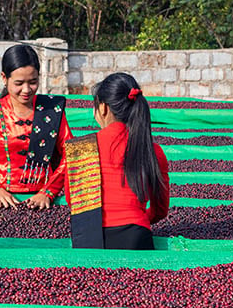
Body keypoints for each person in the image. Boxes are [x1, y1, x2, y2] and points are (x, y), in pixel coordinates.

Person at [64, 73, 169, 250]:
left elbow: (74, 200)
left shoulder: (80, 148)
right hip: (137, 238)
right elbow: (160, 210)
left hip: (90, 238)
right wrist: (138, 219)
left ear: (103, 107)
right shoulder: (152, 150)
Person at [0, 44, 73, 209]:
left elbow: (70, 154)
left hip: (44, 198)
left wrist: (49, 191)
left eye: (33, 82)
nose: (26, 90)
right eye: (19, 83)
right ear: (4, 78)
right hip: (5, 199)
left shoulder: (52, 110)